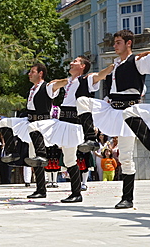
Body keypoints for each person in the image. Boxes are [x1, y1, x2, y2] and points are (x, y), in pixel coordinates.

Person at [76, 29, 150, 209]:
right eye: (114, 42)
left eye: (118, 42)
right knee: (82, 101)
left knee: (126, 157)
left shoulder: (137, 61)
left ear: (128, 43)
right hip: (112, 108)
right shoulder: (115, 64)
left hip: (130, 112)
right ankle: (91, 139)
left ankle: (127, 197)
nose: (114, 45)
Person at [26, 56, 113, 202]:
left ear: (83, 66)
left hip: (74, 124)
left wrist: (113, 65)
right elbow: (59, 85)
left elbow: (101, 75)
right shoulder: (69, 82)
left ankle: (76, 193)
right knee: (35, 128)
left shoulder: (87, 79)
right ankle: (43, 159)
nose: (72, 62)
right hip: (63, 122)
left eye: (76, 61)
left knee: (70, 159)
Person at [0, 63, 59, 199]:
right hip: (29, 121)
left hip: (41, 124)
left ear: (40, 74)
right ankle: (12, 151)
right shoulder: (32, 88)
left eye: (32, 72)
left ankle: (41, 189)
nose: (29, 74)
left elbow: (57, 86)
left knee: (36, 156)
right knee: (3, 123)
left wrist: (68, 80)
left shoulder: (47, 87)